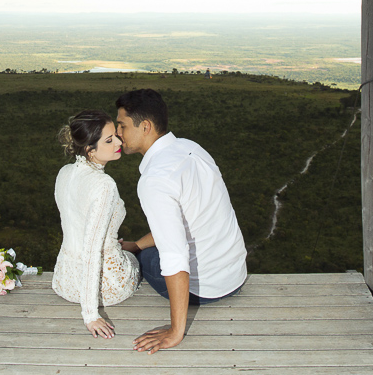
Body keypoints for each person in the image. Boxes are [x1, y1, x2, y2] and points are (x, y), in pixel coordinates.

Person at [115, 89, 247, 354]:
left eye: (122, 126)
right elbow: (189, 221)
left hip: (206, 288)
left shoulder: (155, 180)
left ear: (145, 127)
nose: (118, 133)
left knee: (143, 259)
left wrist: (175, 332)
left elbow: (174, 254)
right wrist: (137, 243)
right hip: (235, 274)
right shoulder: (191, 148)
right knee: (143, 248)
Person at [51, 109, 141, 338]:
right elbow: (91, 249)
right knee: (138, 258)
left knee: (125, 249)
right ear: (90, 150)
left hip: (64, 281)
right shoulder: (104, 185)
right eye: (109, 140)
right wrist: (90, 314)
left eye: (116, 136)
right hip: (105, 288)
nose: (119, 142)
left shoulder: (64, 172)